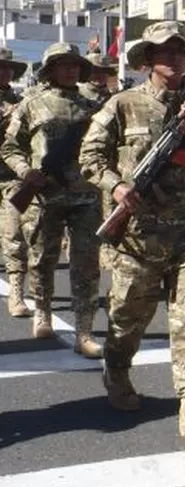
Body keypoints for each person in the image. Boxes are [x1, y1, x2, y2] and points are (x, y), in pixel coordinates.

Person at [79, 21, 185, 450]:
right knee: (127, 322)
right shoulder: (123, 105)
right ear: (147, 61)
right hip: (137, 238)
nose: (174, 58)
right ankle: (116, 370)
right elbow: (90, 156)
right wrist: (115, 185)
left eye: (180, 51)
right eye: (165, 51)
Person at [1, 43, 103, 358]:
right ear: (50, 69)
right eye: (62, 64)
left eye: (75, 64)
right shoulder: (31, 104)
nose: (71, 69)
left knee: (86, 265)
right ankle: (43, 311)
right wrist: (25, 171)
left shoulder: (96, 105)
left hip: (85, 196)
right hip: (44, 196)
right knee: (42, 259)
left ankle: (84, 331)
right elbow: (9, 147)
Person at [0, 47, 32, 318]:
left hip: (11, 177)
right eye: (1, 67)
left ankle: (17, 293)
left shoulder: (21, 102)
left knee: (14, 237)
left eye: (8, 67)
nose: (5, 71)